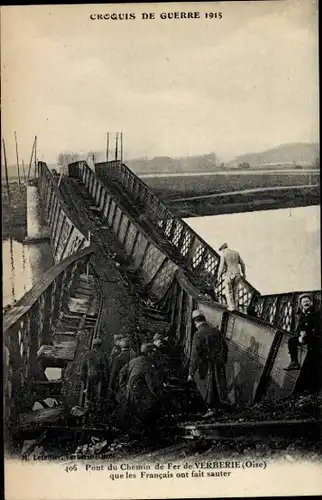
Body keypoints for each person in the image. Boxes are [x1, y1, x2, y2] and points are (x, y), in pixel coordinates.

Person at [187, 309, 229, 418]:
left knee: (206, 385)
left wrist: (191, 373)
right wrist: (222, 361)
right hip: (218, 364)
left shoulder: (198, 334)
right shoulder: (216, 331)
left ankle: (211, 409)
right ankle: (220, 407)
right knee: (218, 384)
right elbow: (225, 348)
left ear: (195, 322)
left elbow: (194, 355)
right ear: (204, 319)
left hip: (206, 365)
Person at [118, 343, 164, 425]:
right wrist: (161, 396)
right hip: (140, 399)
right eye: (153, 353)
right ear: (148, 353)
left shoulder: (133, 361)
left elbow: (121, 373)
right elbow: (152, 386)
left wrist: (124, 389)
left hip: (130, 396)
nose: (154, 356)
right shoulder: (147, 364)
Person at [284, 295, 320, 373]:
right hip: (304, 338)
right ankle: (294, 362)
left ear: (311, 302)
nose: (306, 303)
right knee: (292, 341)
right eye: (304, 302)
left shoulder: (316, 314)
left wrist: (306, 333)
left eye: (307, 301)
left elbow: (317, 329)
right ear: (301, 303)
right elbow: (298, 329)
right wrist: (299, 336)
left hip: (313, 338)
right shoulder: (301, 314)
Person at [81, 338, 109, 412]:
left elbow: (83, 369)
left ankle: (89, 409)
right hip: (100, 377)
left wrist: (83, 379)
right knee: (99, 393)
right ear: (100, 345)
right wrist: (106, 379)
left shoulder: (87, 354)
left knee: (89, 393)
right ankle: (98, 410)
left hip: (90, 376)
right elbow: (106, 368)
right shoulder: (103, 355)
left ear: (93, 345)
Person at [216, 242, 246, 312]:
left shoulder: (224, 254)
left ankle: (231, 307)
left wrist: (218, 276)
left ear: (223, 248)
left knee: (229, 292)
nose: (221, 251)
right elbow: (242, 264)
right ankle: (235, 307)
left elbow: (221, 267)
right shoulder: (236, 253)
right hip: (237, 274)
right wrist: (244, 273)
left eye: (221, 250)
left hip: (229, 275)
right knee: (235, 291)